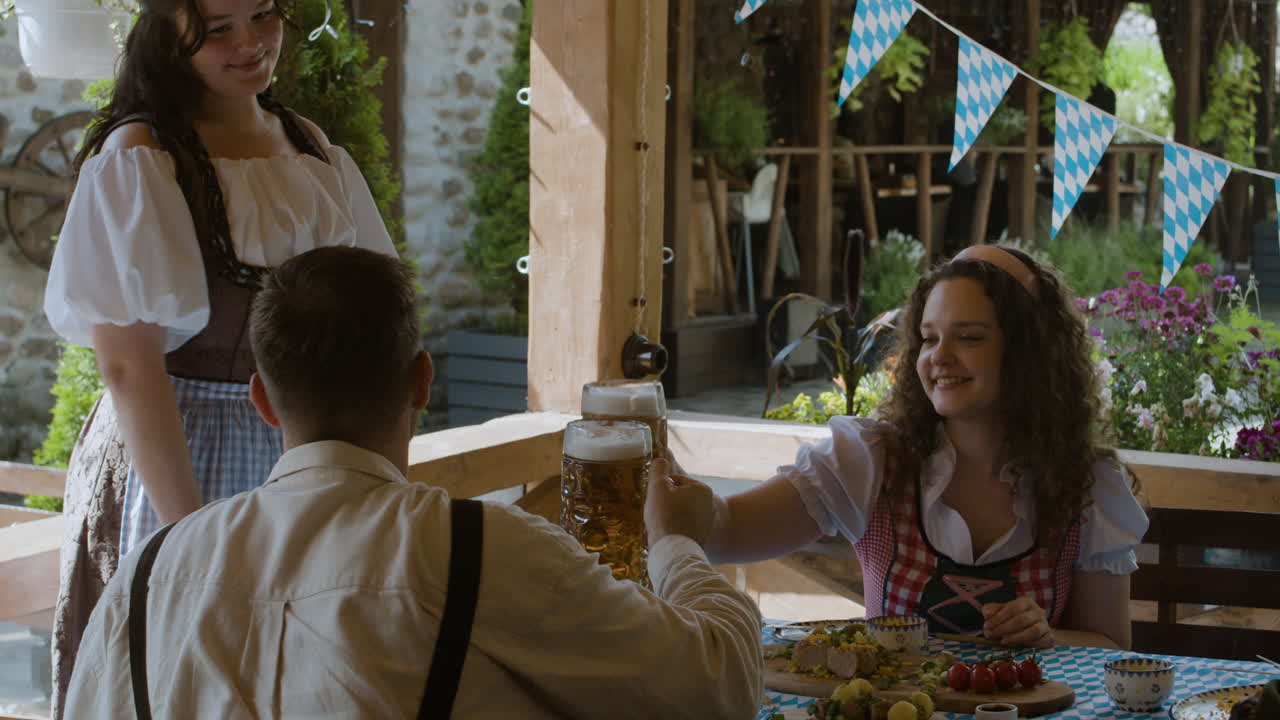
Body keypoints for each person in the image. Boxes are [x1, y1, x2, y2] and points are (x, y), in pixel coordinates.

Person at [63, 246, 764, 719]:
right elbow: (720, 688)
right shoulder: (482, 551)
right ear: (422, 381)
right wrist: (679, 545)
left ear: (264, 401)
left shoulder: (144, 579)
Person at [42, 0, 395, 715]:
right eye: (218, 30)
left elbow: (368, 323)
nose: (251, 43)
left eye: (262, 15)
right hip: (176, 447)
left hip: (297, 445)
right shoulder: (140, 156)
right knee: (179, 669)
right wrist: (191, 535)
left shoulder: (309, 145)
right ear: (169, 35)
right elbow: (128, 367)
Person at [698, 245, 1148, 650]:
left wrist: (1046, 635)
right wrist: (670, 498)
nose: (939, 357)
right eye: (930, 338)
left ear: (1029, 353)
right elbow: (727, 530)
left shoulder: (1085, 487)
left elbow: (1109, 642)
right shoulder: (872, 460)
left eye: (969, 337)